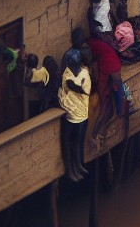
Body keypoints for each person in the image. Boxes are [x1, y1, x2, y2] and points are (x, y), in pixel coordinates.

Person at [58, 50, 90, 182]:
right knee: (69, 142)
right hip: (72, 115)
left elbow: (79, 91)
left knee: (73, 141)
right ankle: (71, 169)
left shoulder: (79, 74)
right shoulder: (68, 76)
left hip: (77, 114)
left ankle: (77, 166)